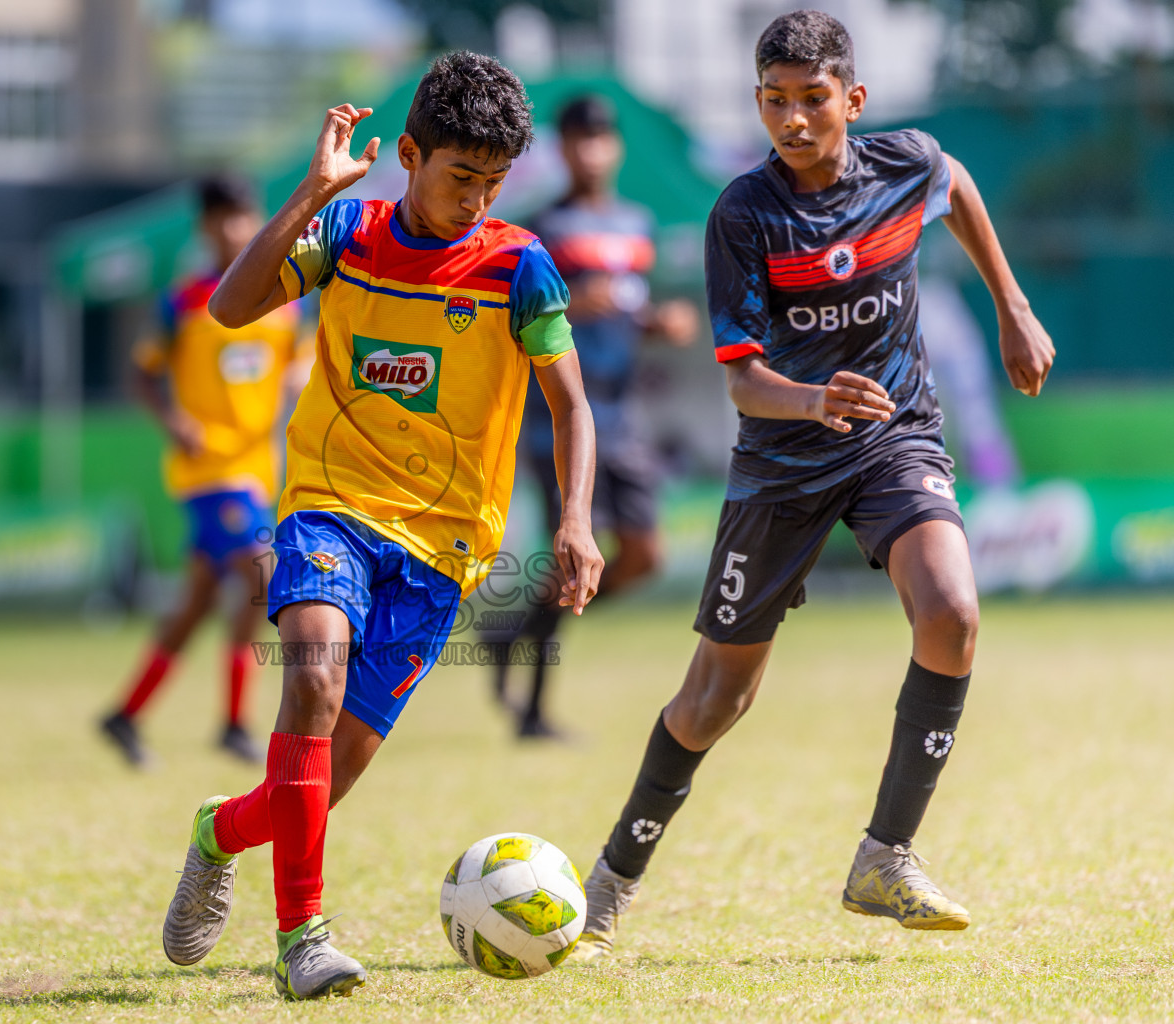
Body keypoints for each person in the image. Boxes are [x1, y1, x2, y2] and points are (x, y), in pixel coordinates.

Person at [574, 10, 1054, 958]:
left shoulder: (902, 162)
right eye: (774, 102)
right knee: (716, 697)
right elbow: (744, 379)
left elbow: (953, 183)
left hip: (891, 436)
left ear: (853, 101)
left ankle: (887, 854)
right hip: (783, 462)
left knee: (953, 611)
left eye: (812, 100)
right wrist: (810, 397)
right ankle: (611, 881)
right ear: (759, 104)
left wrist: (1013, 304)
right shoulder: (744, 214)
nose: (793, 120)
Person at [157, 52, 603, 1000]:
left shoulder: (520, 264)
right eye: (458, 177)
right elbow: (234, 307)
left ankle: (218, 831)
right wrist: (312, 190)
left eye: (493, 181)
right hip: (331, 506)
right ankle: (301, 941)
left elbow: (569, 405)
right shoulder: (347, 233)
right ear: (408, 154)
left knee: (323, 781)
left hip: (446, 547)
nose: (475, 199)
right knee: (311, 676)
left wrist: (574, 519)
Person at [485, 94, 698, 739]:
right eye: (578, 140)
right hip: (555, 410)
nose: (590, 151)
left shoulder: (635, 223)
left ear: (616, 149)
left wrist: (662, 322)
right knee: (571, 556)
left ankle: (513, 633)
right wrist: (574, 306)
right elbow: (511, 319)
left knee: (643, 555)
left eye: (601, 140)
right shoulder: (536, 228)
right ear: (562, 148)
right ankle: (534, 712)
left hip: (620, 409)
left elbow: (636, 308)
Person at [98, 174, 307, 769]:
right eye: (225, 218)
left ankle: (128, 714)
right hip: (208, 470)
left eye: (247, 216)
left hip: (256, 467)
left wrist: (297, 377)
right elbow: (141, 372)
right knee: (264, 575)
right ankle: (244, 722)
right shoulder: (184, 302)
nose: (238, 229)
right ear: (206, 225)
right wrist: (173, 421)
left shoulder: (283, 296)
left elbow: (304, 355)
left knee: (197, 604)